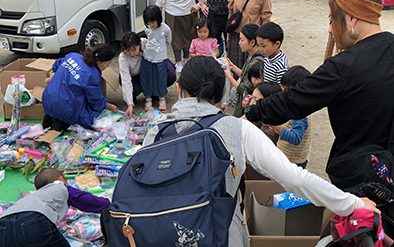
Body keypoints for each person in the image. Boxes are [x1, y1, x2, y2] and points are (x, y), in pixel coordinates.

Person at [143, 56, 378, 247]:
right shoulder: (237, 129)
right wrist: (353, 204)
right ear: (219, 94)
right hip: (218, 236)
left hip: (158, 234)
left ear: (178, 88)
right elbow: (294, 178)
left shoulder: (156, 131)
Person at [244, 0, 394, 237]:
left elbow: (294, 101)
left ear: (351, 19)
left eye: (331, 19)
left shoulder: (344, 66)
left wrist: (254, 111)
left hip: (363, 179)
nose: (329, 28)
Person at [0, 168, 110, 247]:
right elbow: (86, 200)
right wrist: (108, 203)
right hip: (33, 222)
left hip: (3, 225)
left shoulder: (31, 198)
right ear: (61, 179)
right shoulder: (59, 186)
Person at [42, 44, 118, 130]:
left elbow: (56, 66)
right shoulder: (93, 75)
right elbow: (95, 101)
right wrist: (109, 106)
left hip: (47, 98)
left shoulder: (73, 55)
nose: (107, 67)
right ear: (101, 61)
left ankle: (51, 117)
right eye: (108, 64)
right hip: (65, 107)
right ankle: (62, 122)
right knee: (92, 118)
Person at [227, 0, 272, 70]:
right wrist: (228, 33)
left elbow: (266, 17)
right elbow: (231, 12)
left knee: (251, 71)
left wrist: (263, 39)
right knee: (234, 68)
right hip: (236, 36)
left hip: (252, 39)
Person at [156, 0, 195, 73]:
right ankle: (186, 60)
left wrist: (158, 12)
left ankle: (178, 63)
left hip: (172, 12)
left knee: (175, 39)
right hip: (189, 10)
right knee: (188, 36)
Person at [269, 66, 312, 169]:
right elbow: (290, 127)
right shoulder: (297, 105)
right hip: (287, 157)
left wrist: (276, 126)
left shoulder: (300, 113)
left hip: (293, 162)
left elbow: (296, 138)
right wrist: (278, 129)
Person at [224, 24, 264, 117]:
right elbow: (245, 76)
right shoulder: (251, 56)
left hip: (249, 104)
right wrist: (232, 67)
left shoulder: (257, 62)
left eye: (242, 40)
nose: (239, 43)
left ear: (252, 42)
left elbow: (244, 87)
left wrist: (229, 76)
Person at [141, 5, 172, 111]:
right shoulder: (147, 29)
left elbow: (168, 41)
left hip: (161, 58)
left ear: (158, 18)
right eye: (148, 22)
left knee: (161, 78)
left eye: (153, 22)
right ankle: (148, 98)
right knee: (147, 78)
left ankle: (162, 98)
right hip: (148, 57)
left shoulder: (166, 29)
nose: (151, 24)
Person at [118, 32, 145, 118]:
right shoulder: (123, 57)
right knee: (136, 89)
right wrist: (130, 104)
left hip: (144, 74)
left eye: (134, 50)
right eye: (127, 50)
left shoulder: (145, 43)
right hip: (132, 76)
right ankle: (132, 99)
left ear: (139, 44)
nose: (131, 53)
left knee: (169, 76)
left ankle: (154, 94)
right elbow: (126, 81)